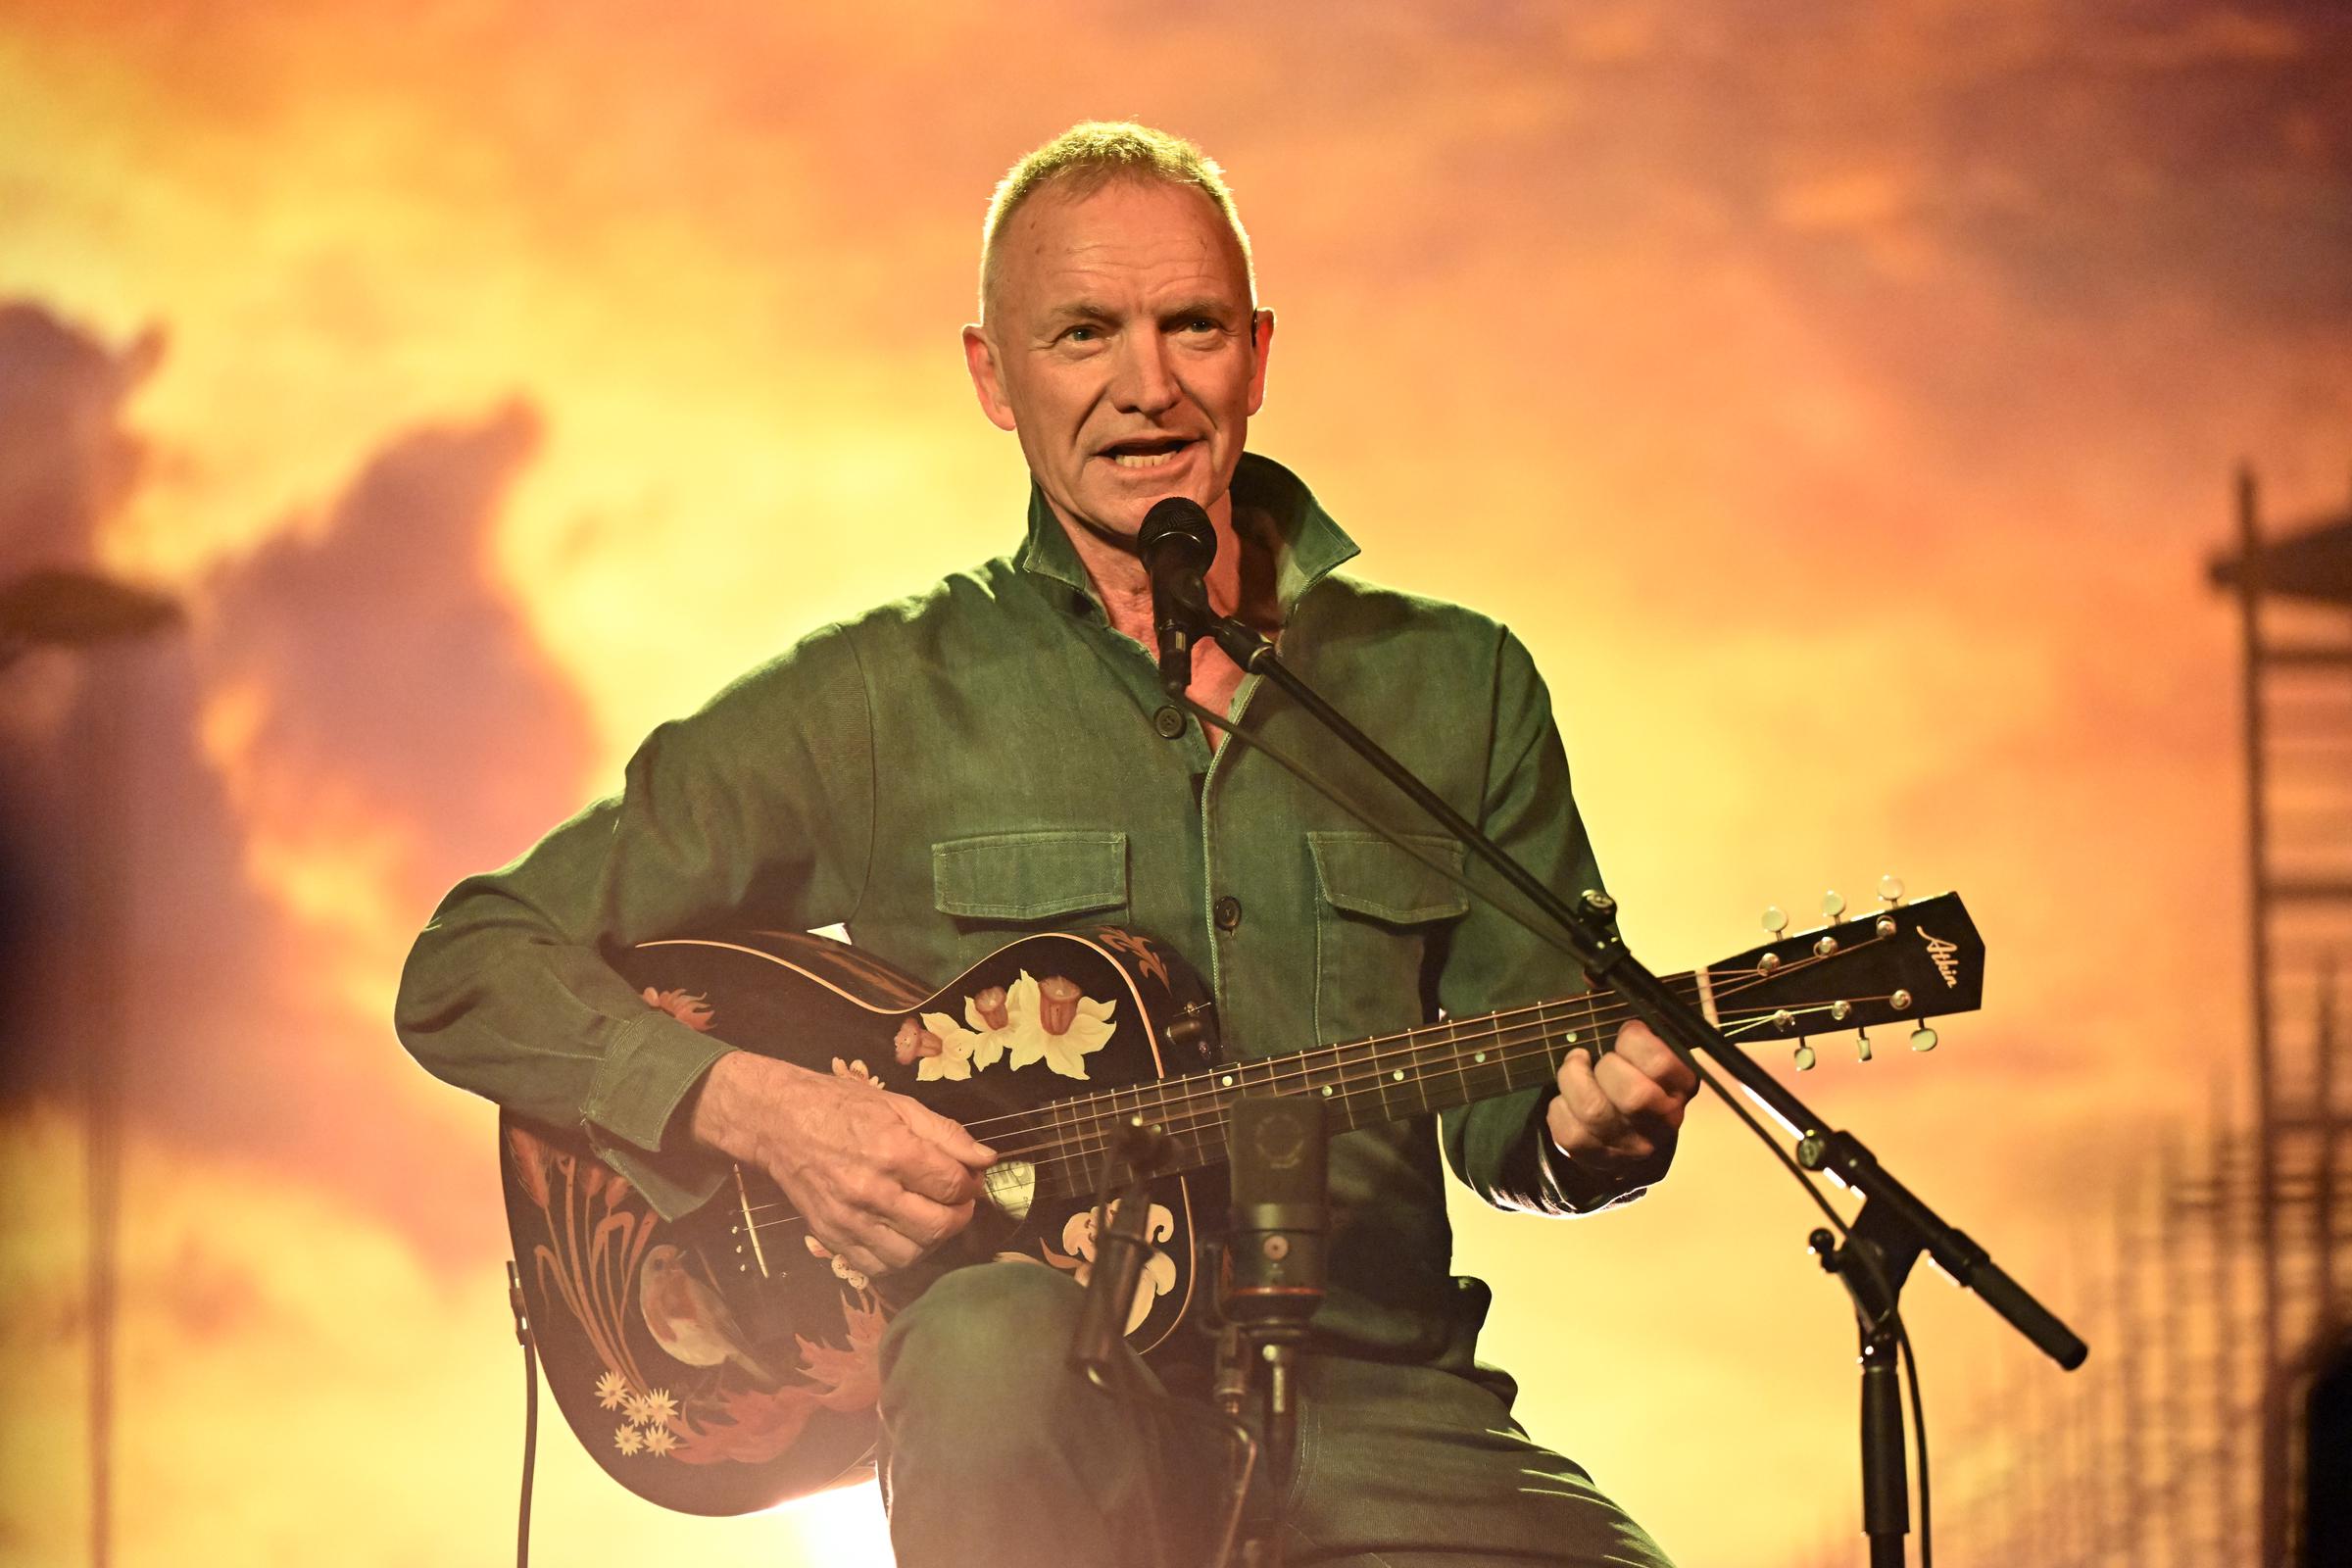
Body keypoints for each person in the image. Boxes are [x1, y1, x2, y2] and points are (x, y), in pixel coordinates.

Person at [396, 122, 1694, 1567]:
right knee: (989, 1338)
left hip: (1383, 1407)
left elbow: (1517, 1115)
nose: (1148, 384)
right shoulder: (878, 699)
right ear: (992, 376)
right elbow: (467, 965)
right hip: (1041, 1407)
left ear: (1257, 353)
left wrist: (1590, 1135)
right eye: (1083, 332)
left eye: (1190, 324)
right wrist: (761, 1112)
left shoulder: (1459, 685)